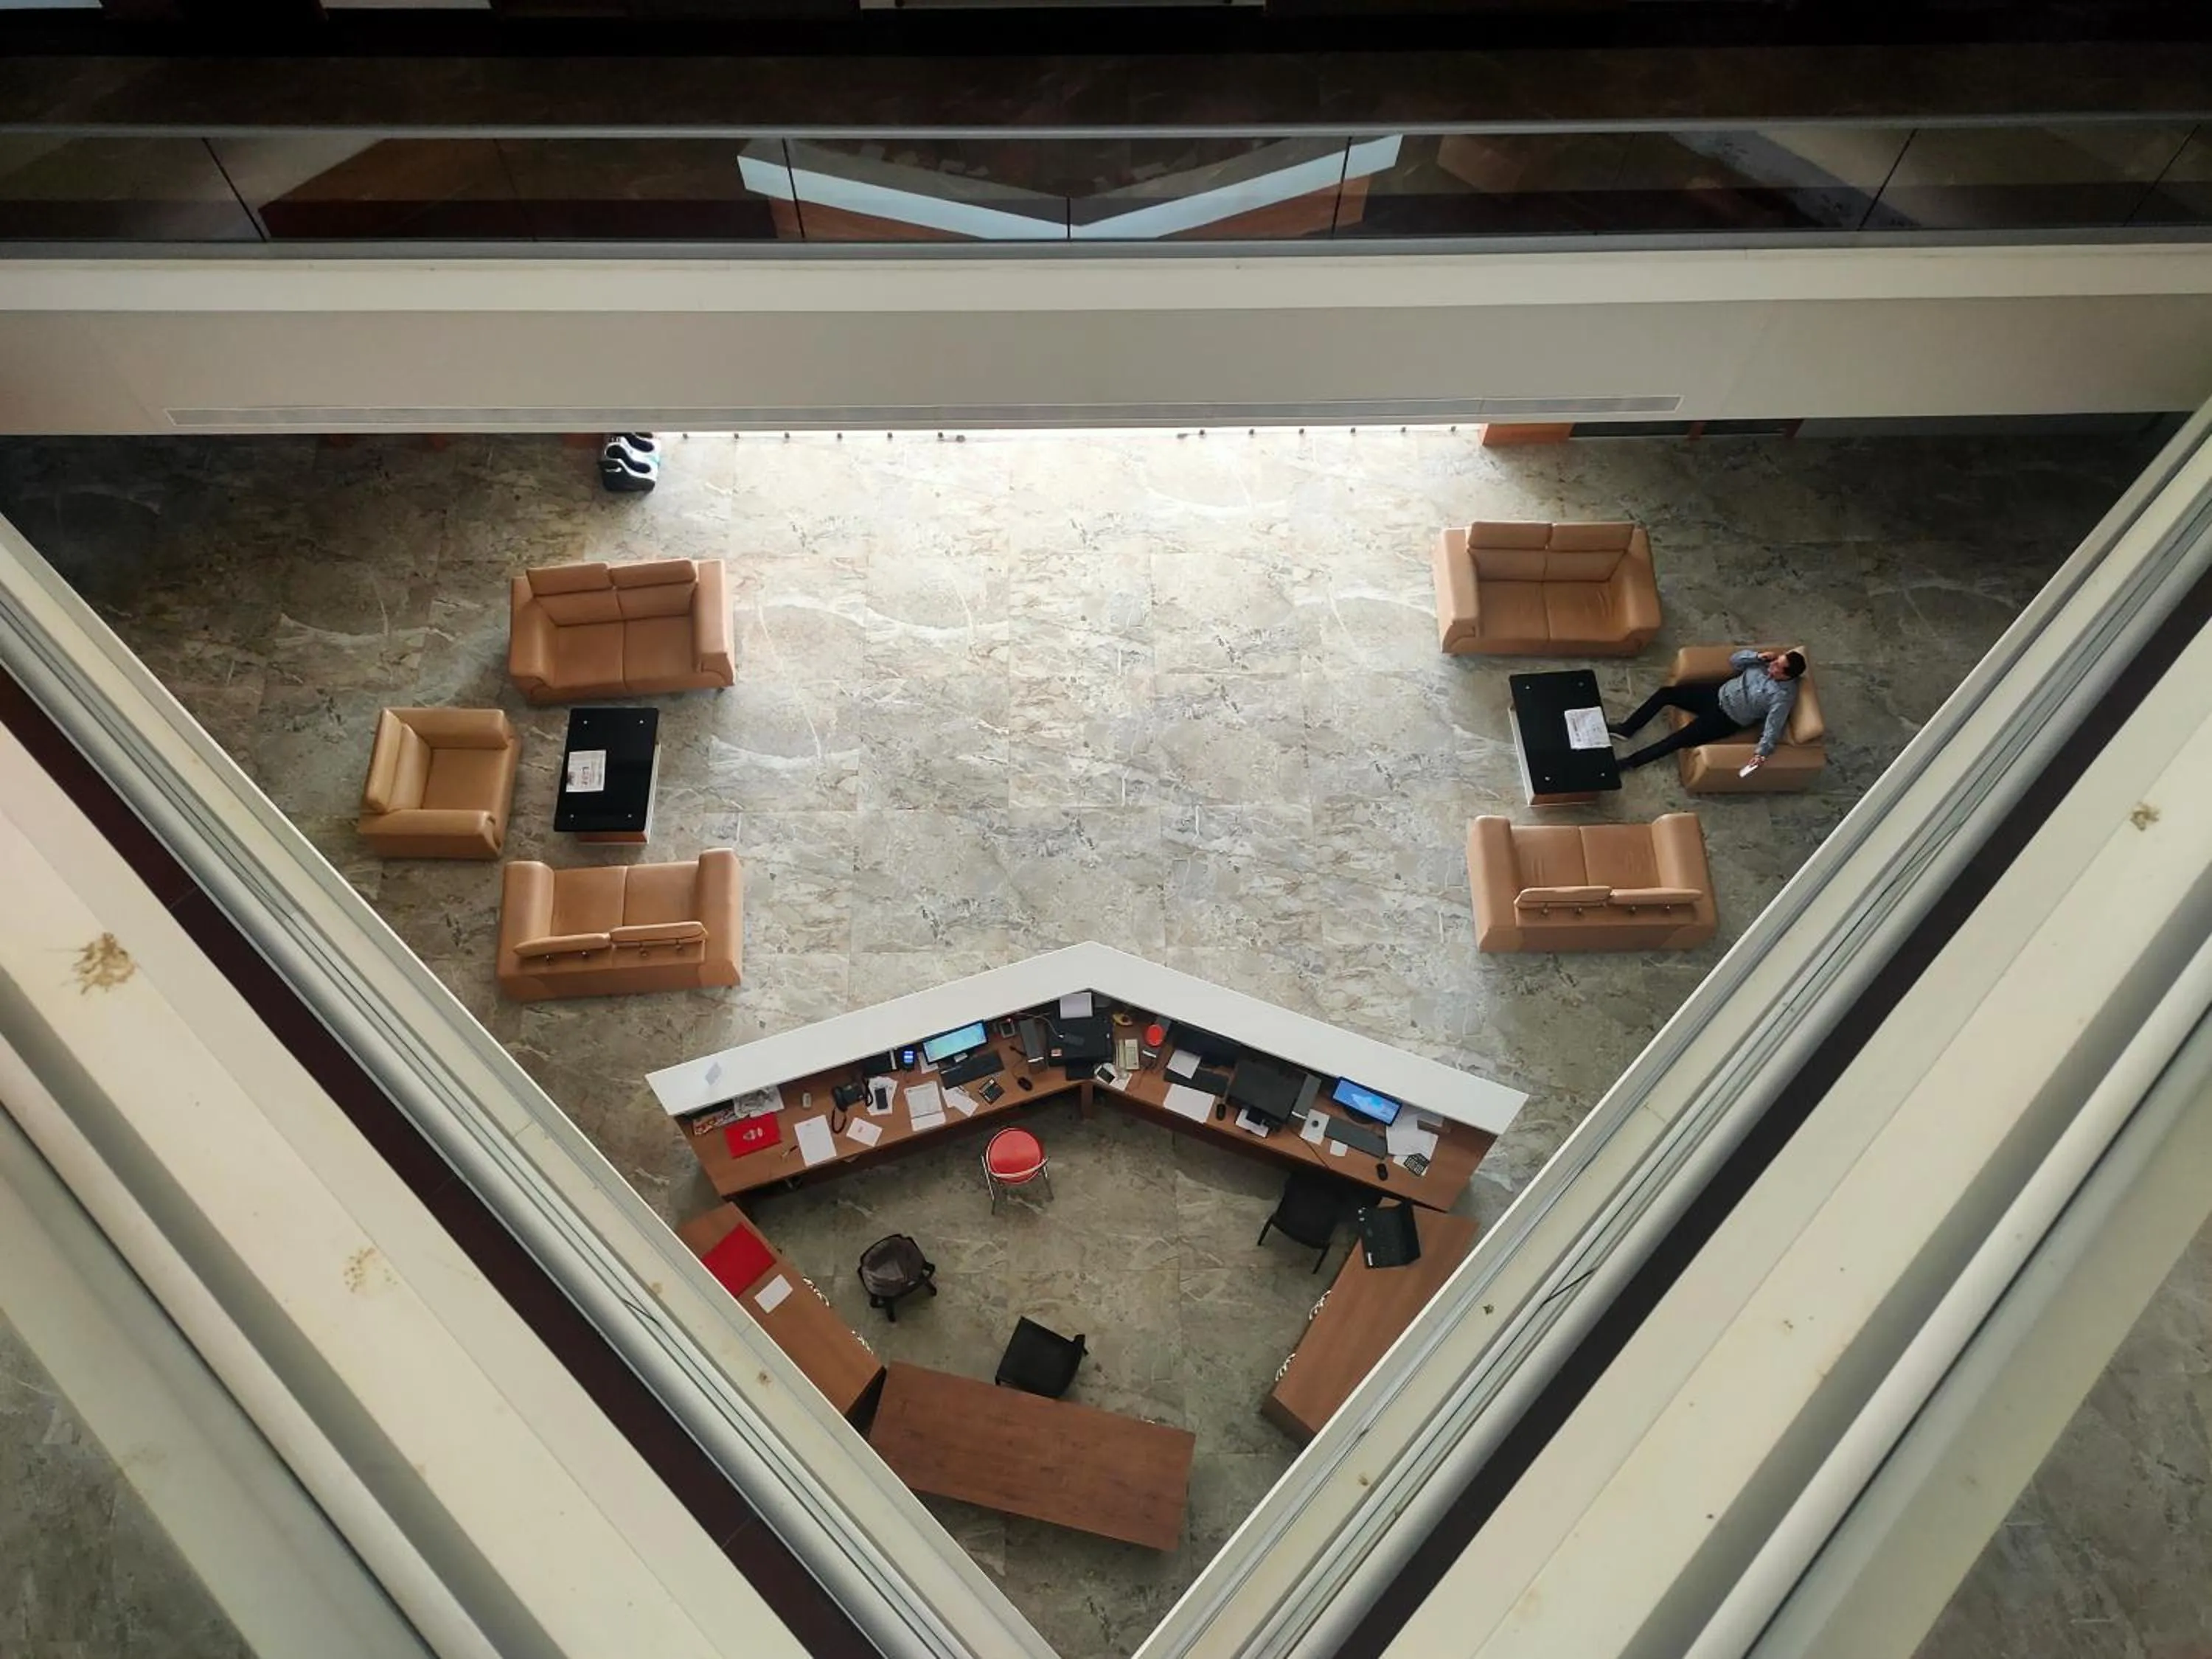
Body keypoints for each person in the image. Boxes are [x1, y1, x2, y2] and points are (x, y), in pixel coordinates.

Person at [1610, 648, 1806, 773]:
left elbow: (1773, 727)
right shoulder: (1763, 663)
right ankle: (1627, 729)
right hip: (1715, 694)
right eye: (1776, 660)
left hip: (1726, 720)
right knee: (1666, 694)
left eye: (1778, 666)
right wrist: (1756, 656)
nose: (1773, 664)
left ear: (1786, 676)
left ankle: (1629, 763)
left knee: (1677, 740)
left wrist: (1761, 753)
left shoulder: (1782, 697)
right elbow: (1735, 661)